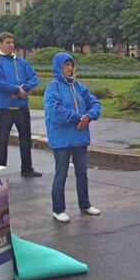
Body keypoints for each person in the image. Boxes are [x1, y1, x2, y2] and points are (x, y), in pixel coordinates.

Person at [44, 52, 102, 223]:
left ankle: (85, 204)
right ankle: (58, 209)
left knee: (82, 173)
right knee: (61, 173)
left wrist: (89, 116)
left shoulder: (79, 87)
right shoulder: (53, 88)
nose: (70, 69)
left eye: (71, 65)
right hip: (61, 139)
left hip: (80, 138)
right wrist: (79, 117)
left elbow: (95, 103)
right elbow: (55, 112)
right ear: (59, 67)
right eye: (66, 65)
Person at [0, 32, 42, 177]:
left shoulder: (20, 61)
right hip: (4, 107)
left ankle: (27, 168)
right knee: (2, 140)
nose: (11, 45)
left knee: (25, 138)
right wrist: (14, 90)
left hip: (22, 107)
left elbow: (34, 77)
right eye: (7, 42)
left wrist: (24, 89)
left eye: (12, 42)